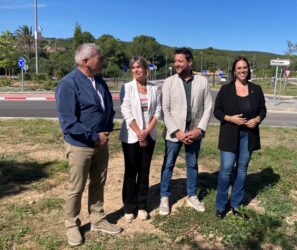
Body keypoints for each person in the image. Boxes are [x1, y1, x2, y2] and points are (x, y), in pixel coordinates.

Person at [56, 43, 121, 246]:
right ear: (86, 62)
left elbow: (107, 106)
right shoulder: (68, 84)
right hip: (80, 145)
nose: (102, 60)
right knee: (76, 187)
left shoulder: (98, 80)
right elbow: (68, 123)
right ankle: (72, 225)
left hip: (101, 142)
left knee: (98, 182)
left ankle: (97, 219)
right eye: (98, 57)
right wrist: (94, 137)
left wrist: (107, 127)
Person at [159, 47, 212, 215]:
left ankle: (191, 195)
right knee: (168, 165)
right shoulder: (169, 82)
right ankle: (164, 197)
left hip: (194, 132)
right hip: (174, 134)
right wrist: (177, 132)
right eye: (175, 61)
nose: (176, 64)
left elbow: (208, 107)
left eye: (180, 61)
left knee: (192, 165)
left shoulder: (202, 82)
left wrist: (199, 129)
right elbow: (165, 110)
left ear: (190, 62)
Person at [213, 56, 266, 219]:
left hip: (248, 136)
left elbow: (263, 110)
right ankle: (221, 206)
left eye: (245, 68)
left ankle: (236, 204)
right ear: (234, 71)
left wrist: (257, 120)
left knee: (242, 170)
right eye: (239, 68)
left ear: (248, 70)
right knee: (226, 170)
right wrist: (230, 118)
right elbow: (217, 111)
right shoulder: (225, 89)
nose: (242, 70)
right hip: (230, 133)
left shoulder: (256, 89)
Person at [119, 56, 161, 222]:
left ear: (146, 69)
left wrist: (147, 131)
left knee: (144, 171)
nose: (136, 70)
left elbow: (158, 111)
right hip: (131, 136)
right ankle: (129, 207)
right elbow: (126, 111)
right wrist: (139, 132)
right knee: (131, 172)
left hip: (149, 134)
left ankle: (142, 205)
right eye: (133, 67)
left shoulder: (154, 88)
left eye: (139, 67)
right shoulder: (127, 88)